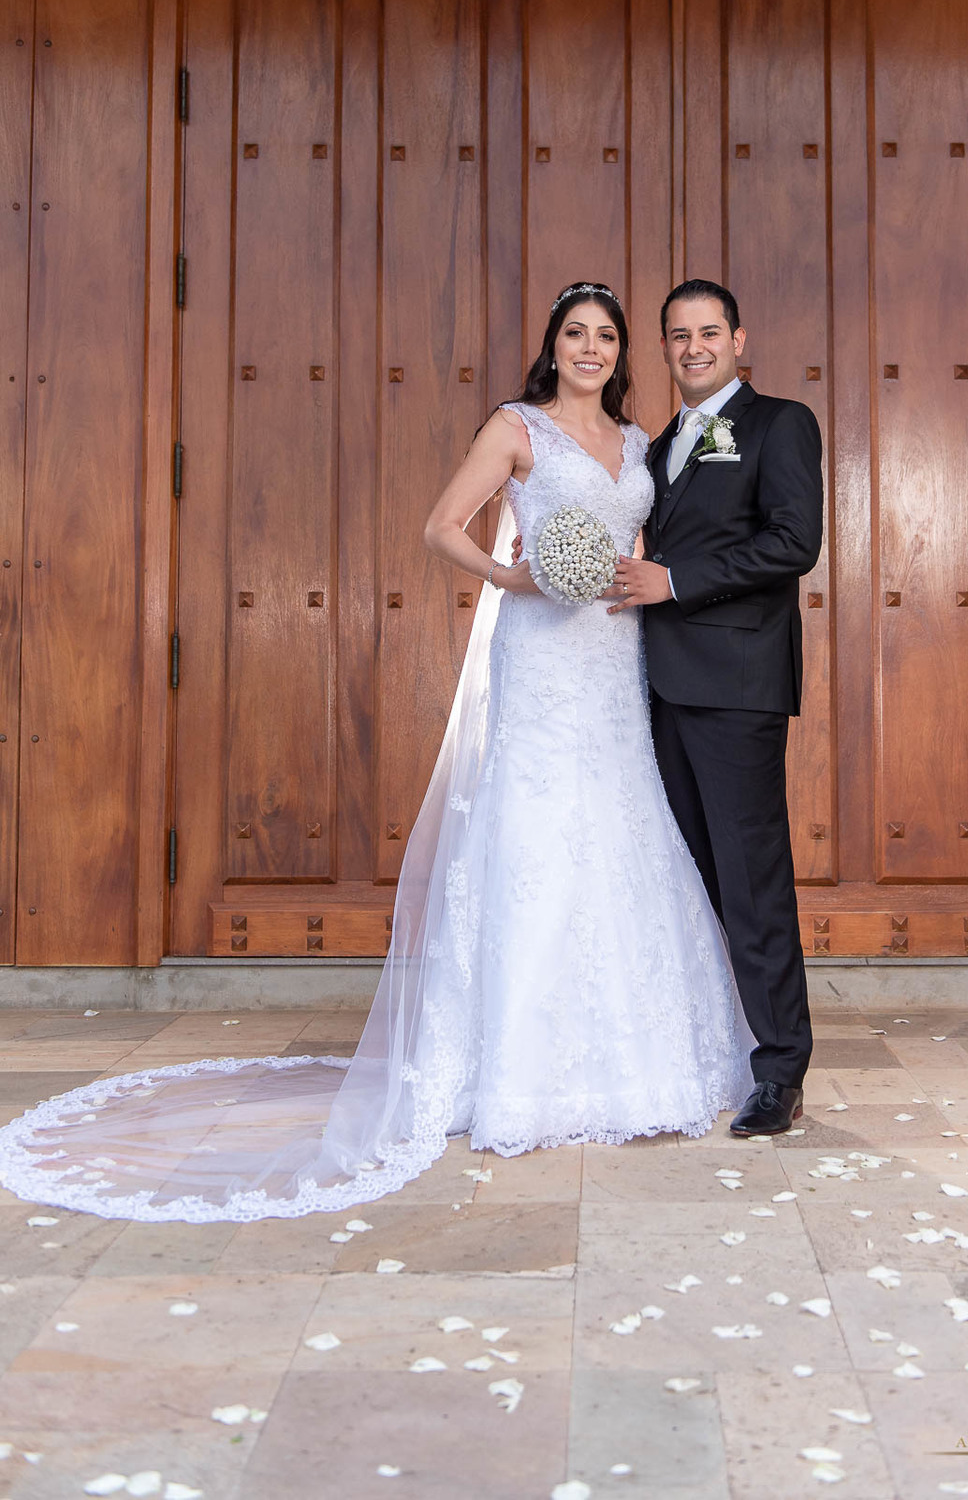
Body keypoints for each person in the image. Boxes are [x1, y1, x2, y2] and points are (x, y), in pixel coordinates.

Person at [0, 282, 752, 1223]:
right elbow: (441, 525)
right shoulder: (517, 428)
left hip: (613, 657)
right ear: (553, 344)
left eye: (605, 336)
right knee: (533, 837)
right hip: (542, 658)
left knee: (622, 825)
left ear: (620, 350)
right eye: (575, 334)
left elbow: (646, 540)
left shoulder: (643, 444)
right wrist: (514, 576)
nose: (591, 349)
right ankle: (515, 1073)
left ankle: (640, 1055)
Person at [607, 279, 823, 1137]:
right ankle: (705, 1050)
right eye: (677, 335)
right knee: (687, 884)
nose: (692, 346)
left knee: (751, 881)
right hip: (657, 689)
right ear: (664, 347)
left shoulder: (780, 423)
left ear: (740, 338)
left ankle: (780, 1071)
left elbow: (793, 542)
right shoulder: (658, 445)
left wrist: (676, 581)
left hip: (736, 691)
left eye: (708, 332)